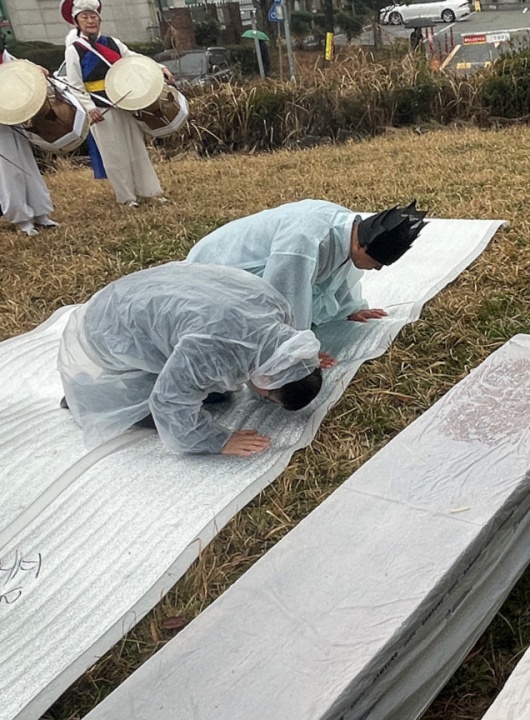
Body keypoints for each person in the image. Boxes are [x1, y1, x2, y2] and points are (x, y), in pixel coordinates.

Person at [58, 262, 326, 457]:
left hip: (142, 290)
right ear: (267, 380)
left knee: (218, 394)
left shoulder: (277, 310)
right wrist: (218, 440)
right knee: (170, 409)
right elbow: (168, 402)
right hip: (107, 327)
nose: (263, 398)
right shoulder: (211, 348)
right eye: (268, 397)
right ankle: (85, 392)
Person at [186, 200, 428, 331]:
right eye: (376, 264)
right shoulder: (303, 242)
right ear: (363, 247)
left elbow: (339, 270)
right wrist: (298, 349)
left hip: (237, 258)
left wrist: (350, 308)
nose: (376, 270)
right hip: (216, 267)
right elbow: (284, 295)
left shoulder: (349, 228)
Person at [61, 0, 173, 207]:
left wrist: (158, 67)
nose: (90, 21)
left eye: (93, 16)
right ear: (77, 22)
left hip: (123, 102)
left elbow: (133, 58)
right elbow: (76, 84)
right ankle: (127, 197)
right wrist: (90, 108)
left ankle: (149, 190)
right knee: (114, 154)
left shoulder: (112, 42)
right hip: (101, 107)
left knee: (136, 148)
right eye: (84, 17)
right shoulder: (74, 50)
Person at [0, 36, 60, 236]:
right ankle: (23, 219)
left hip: (14, 113)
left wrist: (36, 71)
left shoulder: (5, 56)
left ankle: (41, 212)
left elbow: (20, 68)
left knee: (28, 166)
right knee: (9, 172)